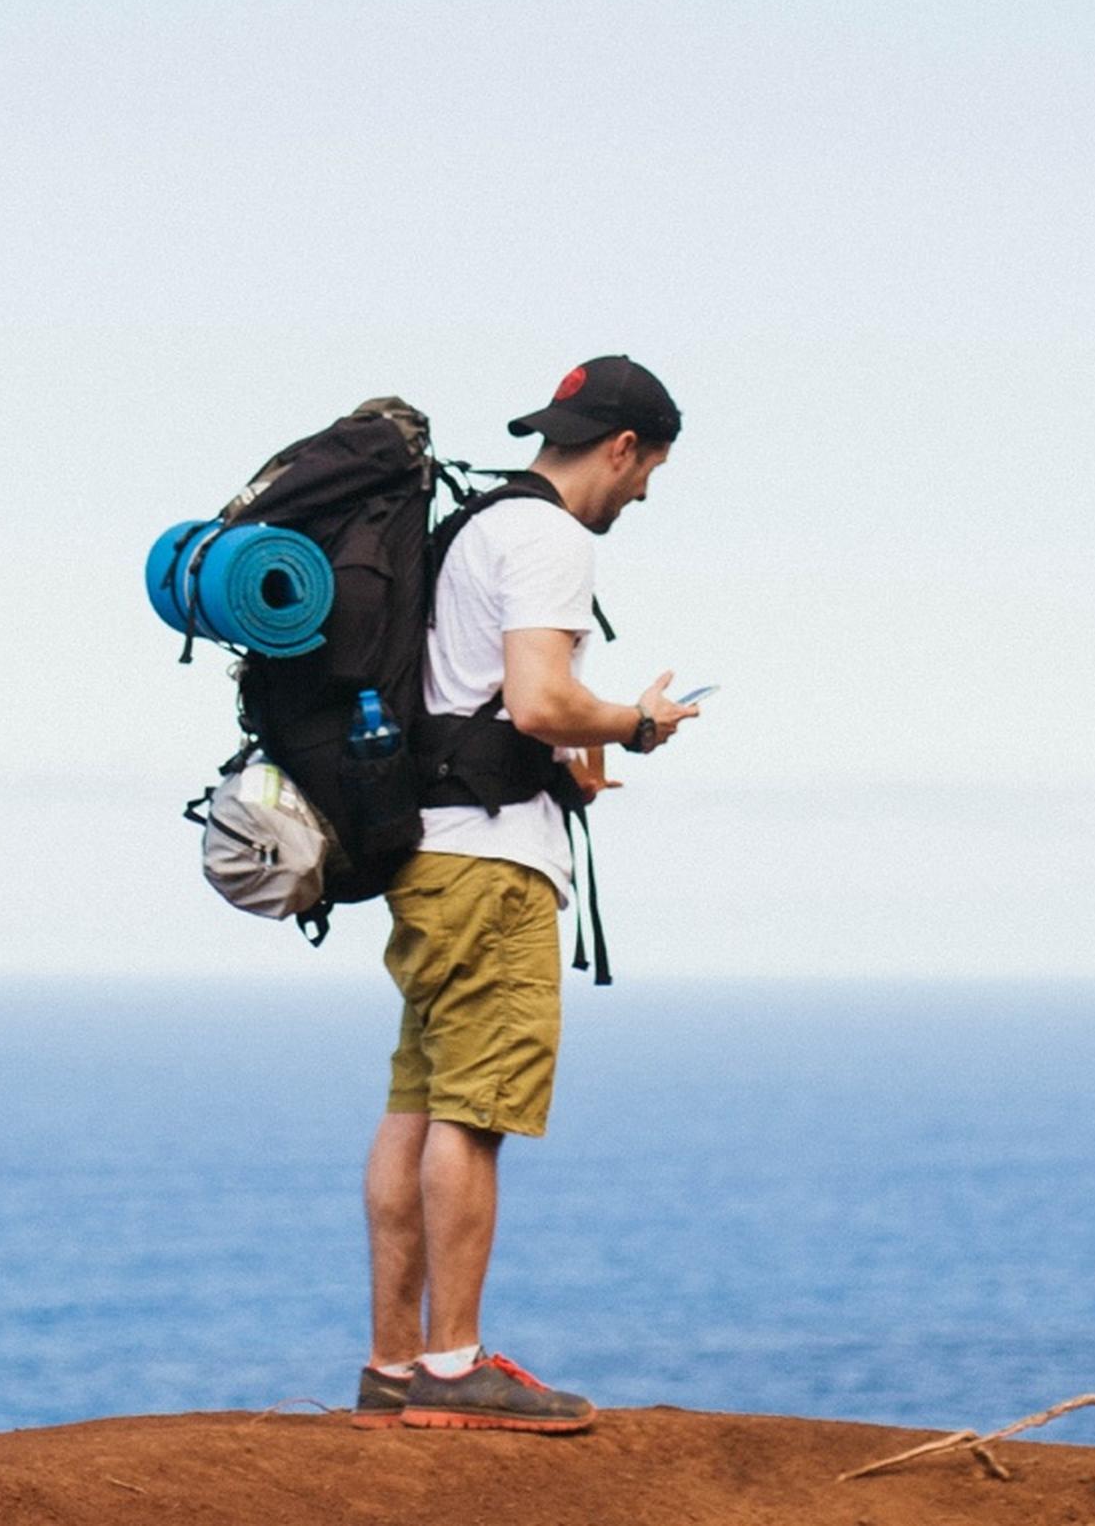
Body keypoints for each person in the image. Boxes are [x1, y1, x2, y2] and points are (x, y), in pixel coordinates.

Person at [355, 355, 701, 1434]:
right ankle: (455, 1365)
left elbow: (480, 703)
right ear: (623, 447)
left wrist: (558, 756)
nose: (641, 493)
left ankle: (393, 1361)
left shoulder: (471, 528)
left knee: (415, 1101)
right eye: (648, 470)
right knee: (475, 1109)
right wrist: (631, 724)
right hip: (492, 867)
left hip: (428, 850)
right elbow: (541, 697)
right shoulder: (551, 536)